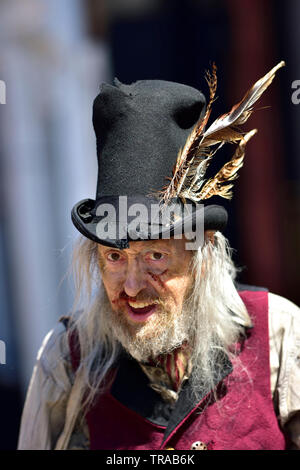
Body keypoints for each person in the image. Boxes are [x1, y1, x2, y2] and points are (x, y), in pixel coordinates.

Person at [18, 62, 300, 450]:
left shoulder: (280, 335)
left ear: (201, 255)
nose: (131, 287)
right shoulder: (65, 362)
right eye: (114, 257)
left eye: (154, 256)